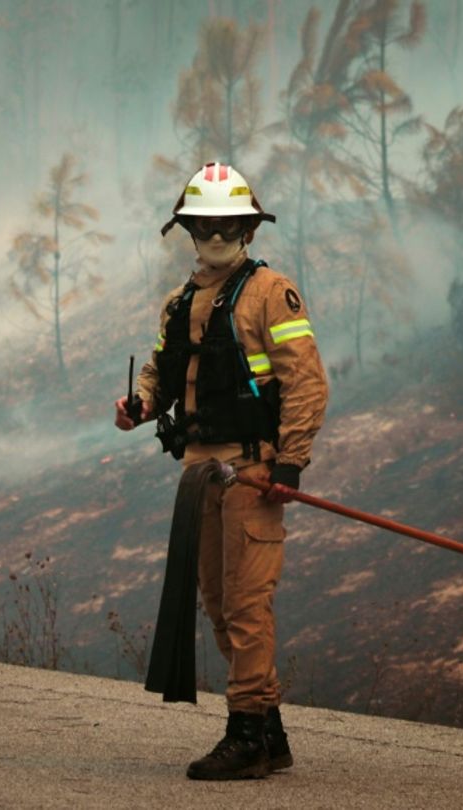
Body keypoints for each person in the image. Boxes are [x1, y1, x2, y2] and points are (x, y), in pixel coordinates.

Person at [114, 161, 329, 780]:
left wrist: (290, 463)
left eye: (226, 223)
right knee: (217, 605)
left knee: (246, 605)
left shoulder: (271, 293)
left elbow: (306, 383)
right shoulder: (179, 302)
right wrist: (140, 405)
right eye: (204, 224)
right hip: (199, 476)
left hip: (252, 472)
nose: (215, 234)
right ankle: (270, 733)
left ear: (248, 229)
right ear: (187, 229)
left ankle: (245, 735)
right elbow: (162, 370)